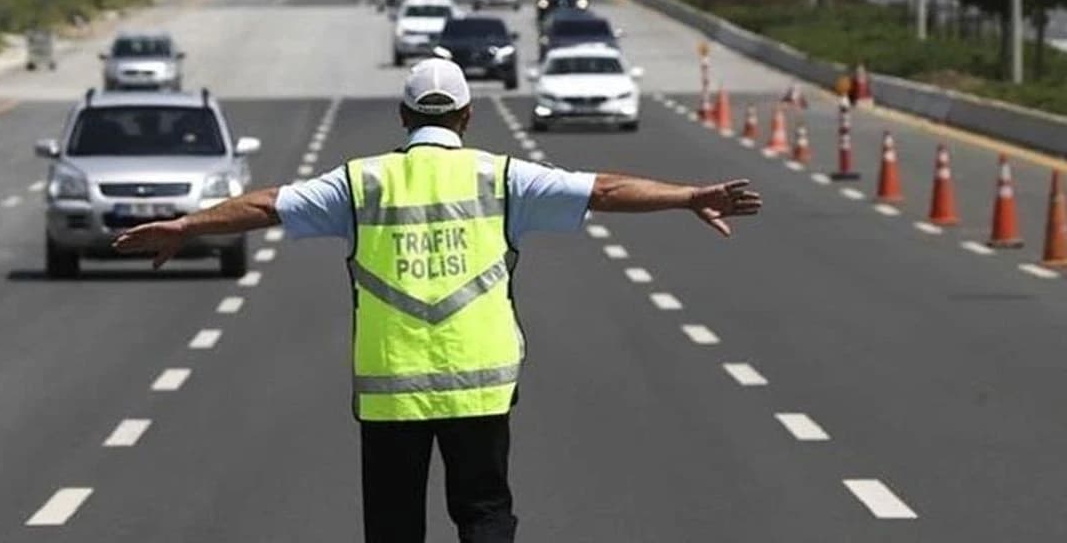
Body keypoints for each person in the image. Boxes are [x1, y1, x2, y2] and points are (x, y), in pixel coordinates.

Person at [113, 59, 762, 543]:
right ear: (466, 117)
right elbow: (604, 189)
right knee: (484, 514)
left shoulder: (361, 182)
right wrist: (686, 196)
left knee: (394, 525)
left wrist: (185, 225)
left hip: (392, 386)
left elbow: (264, 204)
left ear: (402, 118)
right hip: (478, 384)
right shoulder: (502, 176)